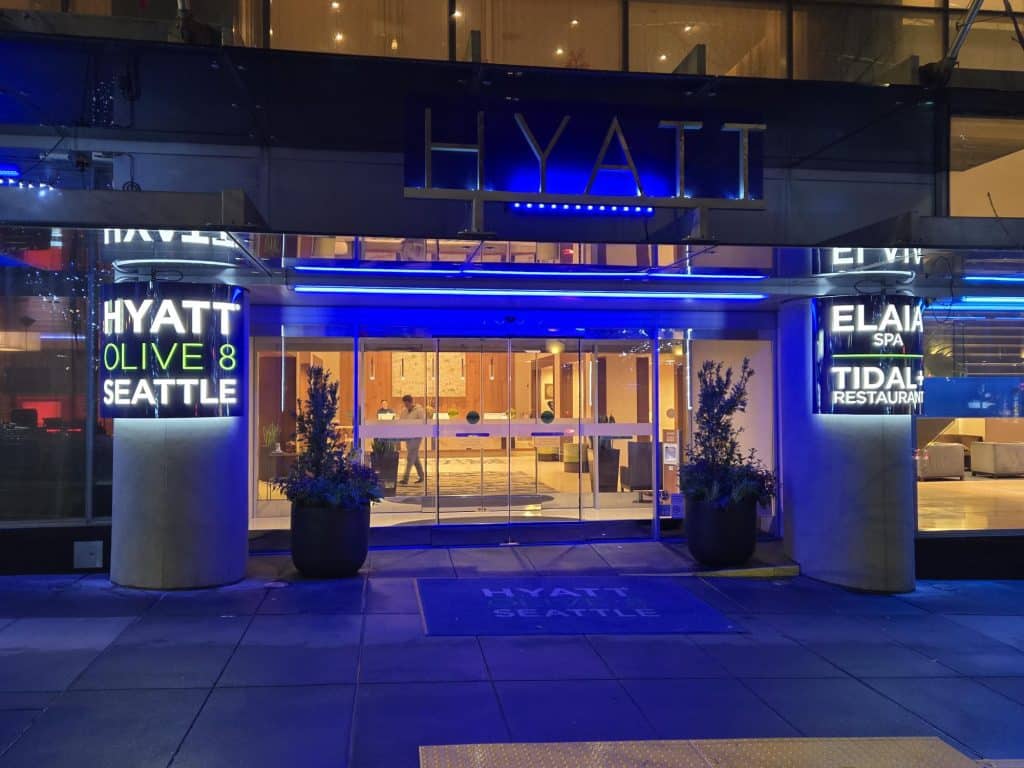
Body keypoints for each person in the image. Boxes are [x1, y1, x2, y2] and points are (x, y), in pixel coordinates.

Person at [398, 394, 425, 484]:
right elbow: (401, 422)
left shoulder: (419, 410)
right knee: (414, 457)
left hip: (416, 436)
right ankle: (421, 476)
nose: (406, 406)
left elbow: (423, 422)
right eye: (404, 404)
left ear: (411, 402)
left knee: (410, 457)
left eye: (407, 404)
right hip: (408, 436)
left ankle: (405, 478)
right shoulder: (404, 411)